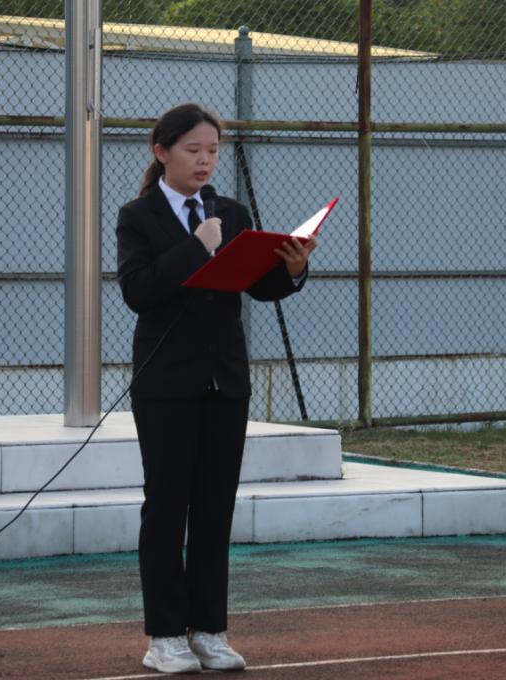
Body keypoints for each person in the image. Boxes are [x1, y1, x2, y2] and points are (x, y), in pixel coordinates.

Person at [116, 102, 317, 674]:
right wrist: (197, 245)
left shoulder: (232, 211)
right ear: (162, 152)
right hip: (166, 383)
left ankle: (208, 630)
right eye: (193, 150)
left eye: (212, 150)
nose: (204, 161)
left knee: (214, 507)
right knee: (166, 507)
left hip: (224, 380)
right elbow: (138, 291)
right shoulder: (138, 216)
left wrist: (293, 267)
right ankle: (164, 636)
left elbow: (259, 286)